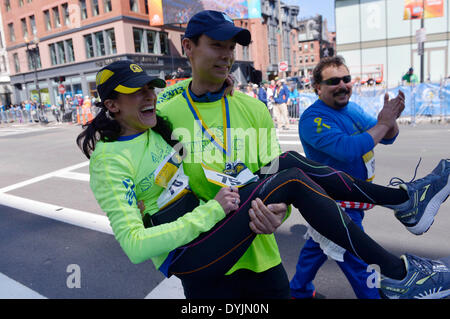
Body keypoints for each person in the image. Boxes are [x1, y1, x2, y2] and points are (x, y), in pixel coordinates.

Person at [77, 57, 450, 301]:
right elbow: (134, 245)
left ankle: (405, 202)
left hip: (213, 227)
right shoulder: (108, 162)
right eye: (136, 92)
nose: (149, 97)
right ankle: (399, 271)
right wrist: (209, 212)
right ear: (111, 105)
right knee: (287, 179)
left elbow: (190, 152)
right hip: (190, 255)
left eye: (150, 89)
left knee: (285, 162)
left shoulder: (155, 129)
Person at [155, 10, 450, 299]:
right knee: (294, 175)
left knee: (288, 168)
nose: (227, 55)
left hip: (262, 260)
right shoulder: (163, 114)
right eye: (217, 45)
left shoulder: (253, 108)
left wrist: (279, 213)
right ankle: (402, 220)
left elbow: (271, 177)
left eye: (231, 48)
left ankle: (404, 214)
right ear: (188, 47)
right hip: (209, 261)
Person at [290, 55, 404, 299]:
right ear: (317, 88)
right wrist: (384, 124)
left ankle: (298, 290)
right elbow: (347, 148)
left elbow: (386, 136)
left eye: (346, 79)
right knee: (357, 258)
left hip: (351, 198)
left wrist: (390, 122)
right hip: (334, 203)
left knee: (316, 247)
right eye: (333, 81)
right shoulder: (312, 119)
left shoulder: (351, 107)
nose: (342, 85)